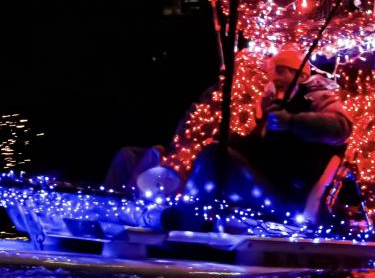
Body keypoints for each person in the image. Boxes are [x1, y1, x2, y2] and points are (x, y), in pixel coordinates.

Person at [105, 44, 352, 214]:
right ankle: (112, 212)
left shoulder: (315, 97)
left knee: (214, 156)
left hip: (285, 195)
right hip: (266, 182)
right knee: (129, 154)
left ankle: (189, 215)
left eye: (281, 71)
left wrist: (292, 122)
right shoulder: (271, 108)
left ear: (301, 75)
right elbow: (257, 150)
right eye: (270, 72)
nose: (273, 77)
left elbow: (341, 128)